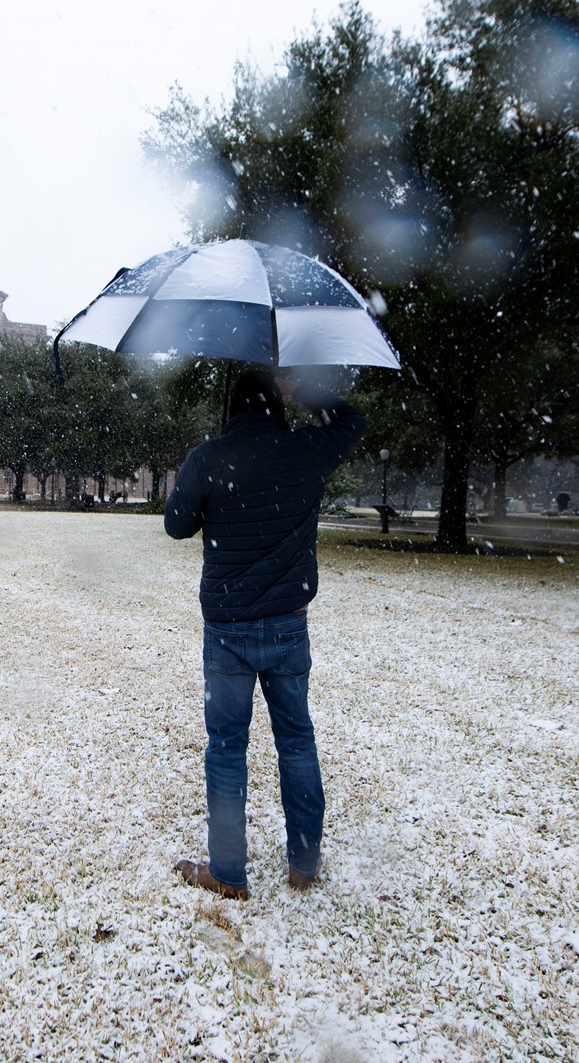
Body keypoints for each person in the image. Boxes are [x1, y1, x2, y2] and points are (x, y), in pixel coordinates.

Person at [163, 369, 366, 898]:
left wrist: (205, 472)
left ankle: (228, 872)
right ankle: (303, 861)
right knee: (296, 738)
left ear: (232, 407)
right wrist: (304, 388)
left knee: (226, 746)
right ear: (277, 404)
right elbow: (353, 420)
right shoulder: (307, 450)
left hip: (226, 629)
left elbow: (177, 525)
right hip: (288, 623)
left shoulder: (208, 458)